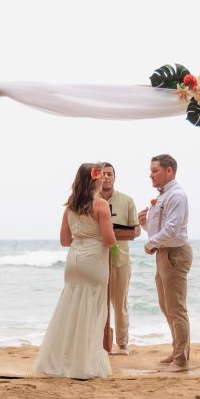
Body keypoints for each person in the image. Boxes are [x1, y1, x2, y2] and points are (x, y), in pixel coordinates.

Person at [33, 163, 116, 379]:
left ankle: (61, 359)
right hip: (94, 263)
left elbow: (64, 240)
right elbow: (109, 240)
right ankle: (84, 362)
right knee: (92, 313)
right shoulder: (101, 205)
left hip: (73, 263)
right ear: (96, 180)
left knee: (70, 310)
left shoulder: (70, 207)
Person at [138, 154, 192, 372]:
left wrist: (150, 244)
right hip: (164, 253)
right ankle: (176, 351)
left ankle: (181, 359)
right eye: (151, 171)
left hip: (174, 253)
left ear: (169, 171)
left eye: (155, 171)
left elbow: (172, 229)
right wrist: (145, 224)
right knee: (165, 305)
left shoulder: (177, 195)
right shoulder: (164, 195)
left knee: (176, 307)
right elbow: (162, 228)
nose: (150, 175)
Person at [100, 162, 140, 356]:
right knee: (96, 303)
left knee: (119, 303)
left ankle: (122, 343)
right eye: (103, 174)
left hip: (120, 260)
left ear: (115, 177)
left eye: (109, 174)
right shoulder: (89, 200)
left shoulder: (127, 201)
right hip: (96, 260)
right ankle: (98, 343)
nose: (106, 177)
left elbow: (137, 229)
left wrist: (118, 232)